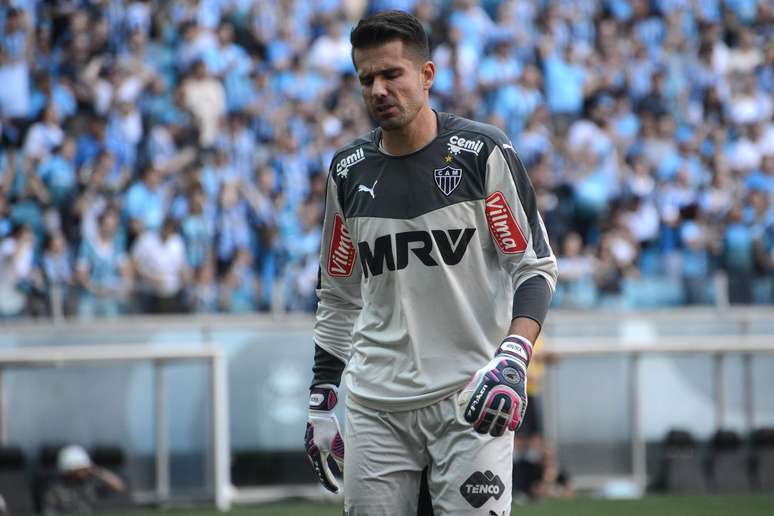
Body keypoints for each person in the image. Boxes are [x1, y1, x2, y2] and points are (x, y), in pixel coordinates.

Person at [304, 11, 558, 515]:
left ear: (427, 75)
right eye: (366, 79)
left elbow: (534, 266)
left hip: (472, 401)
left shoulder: (481, 153)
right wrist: (322, 397)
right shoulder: (347, 172)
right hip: (376, 407)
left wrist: (513, 354)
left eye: (391, 74)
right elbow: (337, 295)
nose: (378, 89)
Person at [41, 445, 126, 515]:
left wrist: (96, 470)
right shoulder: (56, 490)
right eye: (80, 469)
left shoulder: (89, 485)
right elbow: (49, 512)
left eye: (85, 468)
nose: (84, 471)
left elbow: (119, 486)